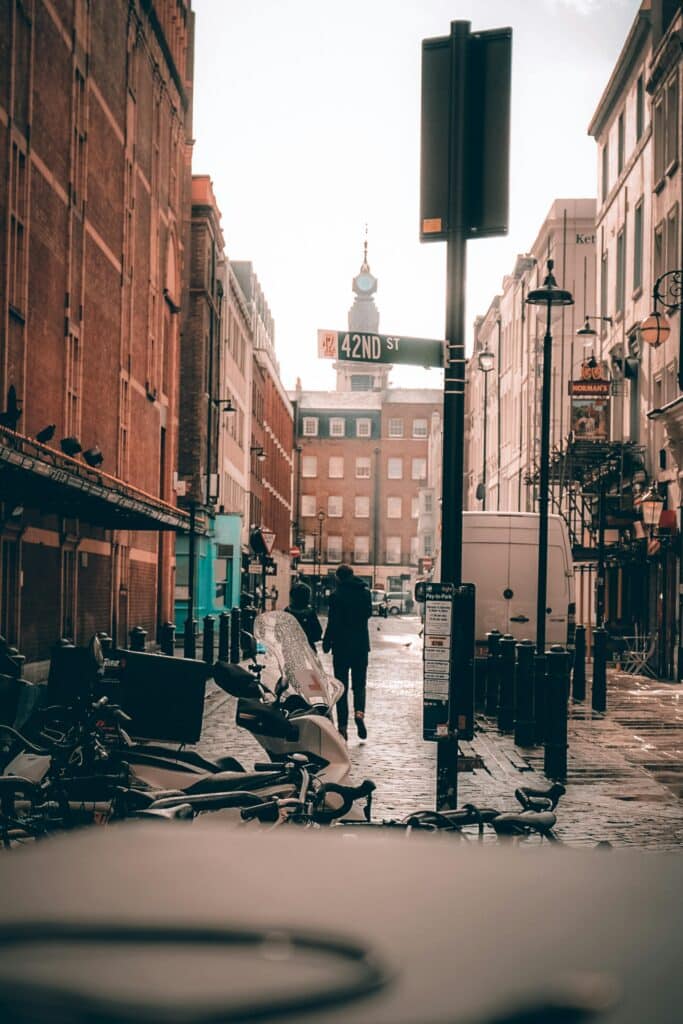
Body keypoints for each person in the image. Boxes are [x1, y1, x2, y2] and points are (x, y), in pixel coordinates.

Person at [322, 564, 372, 741]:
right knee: (359, 685)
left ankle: (342, 727)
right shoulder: (365, 593)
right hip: (360, 647)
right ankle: (359, 714)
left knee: (341, 687)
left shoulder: (336, 596)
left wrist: (326, 643)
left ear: (338, 577)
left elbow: (332, 622)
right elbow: (368, 614)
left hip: (341, 648)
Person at [284, 580, 323, 651]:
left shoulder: (287, 611)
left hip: (290, 650)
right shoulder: (310, 613)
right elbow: (318, 633)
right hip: (307, 650)